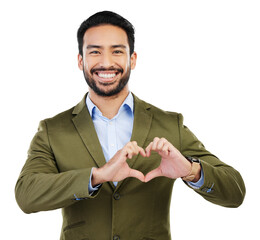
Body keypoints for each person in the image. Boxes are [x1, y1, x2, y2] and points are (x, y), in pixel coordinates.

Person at [15, 11, 246, 240]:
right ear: (80, 60)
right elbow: (26, 194)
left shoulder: (169, 125)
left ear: (132, 59)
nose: (106, 62)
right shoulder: (52, 130)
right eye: (95, 52)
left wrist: (189, 170)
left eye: (117, 51)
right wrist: (97, 176)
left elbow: (235, 191)